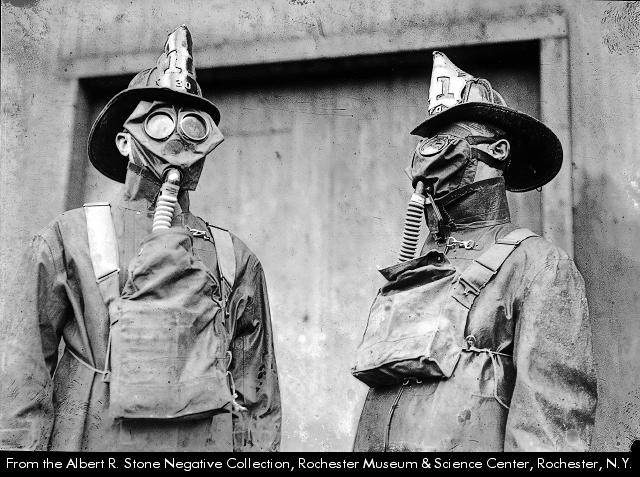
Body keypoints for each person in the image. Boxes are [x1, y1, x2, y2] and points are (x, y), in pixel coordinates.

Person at [0, 25, 281, 451]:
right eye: (160, 121)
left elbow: (258, 398)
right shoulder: (69, 238)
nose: (177, 137)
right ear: (124, 141)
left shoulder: (234, 257)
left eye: (193, 124)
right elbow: (22, 376)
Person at [352, 52, 597, 451]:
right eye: (428, 143)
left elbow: (550, 431)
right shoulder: (421, 266)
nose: (430, 154)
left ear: (497, 150)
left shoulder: (538, 265)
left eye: (448, 140)